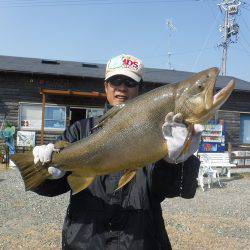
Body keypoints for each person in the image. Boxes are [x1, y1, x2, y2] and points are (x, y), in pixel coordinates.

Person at [33, 54, 202, 250]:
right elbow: (49, 188)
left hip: (142, 241)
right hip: (85, 242)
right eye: (115, 81)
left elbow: (178, 190)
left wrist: (177, 161)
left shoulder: (163, 131)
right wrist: (46, 172)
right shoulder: (80, 130)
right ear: (105, 87)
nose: (122, 87)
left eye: (130, 82)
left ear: (139, 90)